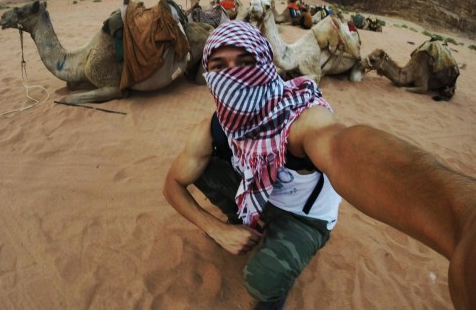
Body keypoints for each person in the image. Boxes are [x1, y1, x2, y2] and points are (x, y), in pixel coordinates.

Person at [163, 20, 476, 309]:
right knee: (202, 168)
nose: (233, 74)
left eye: (245, 62)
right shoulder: (212, 129)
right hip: (261, 193)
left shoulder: (300, 117)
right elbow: (172, 183)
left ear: (264, 62)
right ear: (209, 75)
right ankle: (244, 218)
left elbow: (343, 148)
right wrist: (213, 227)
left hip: (305, 216)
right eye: (219, 66)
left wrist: (460, 213)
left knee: (261, 280)